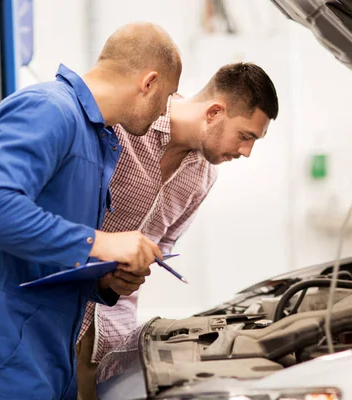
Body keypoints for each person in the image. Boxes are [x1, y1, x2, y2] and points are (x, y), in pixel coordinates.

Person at [0, 22, 182, 400]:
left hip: (41, 352)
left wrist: (101, 281)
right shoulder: (47, 109)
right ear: (148, 81)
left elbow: (40, 251)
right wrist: (100, 243)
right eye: (168, 96)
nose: (165, 110)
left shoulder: (95, 140)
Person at [75, 62, 279, 399]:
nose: (246, 152)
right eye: (245, 136)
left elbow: (163, 245)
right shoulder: (126, 125)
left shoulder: (202, 177)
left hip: (112, 338)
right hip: (57, 319)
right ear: (214, 111)